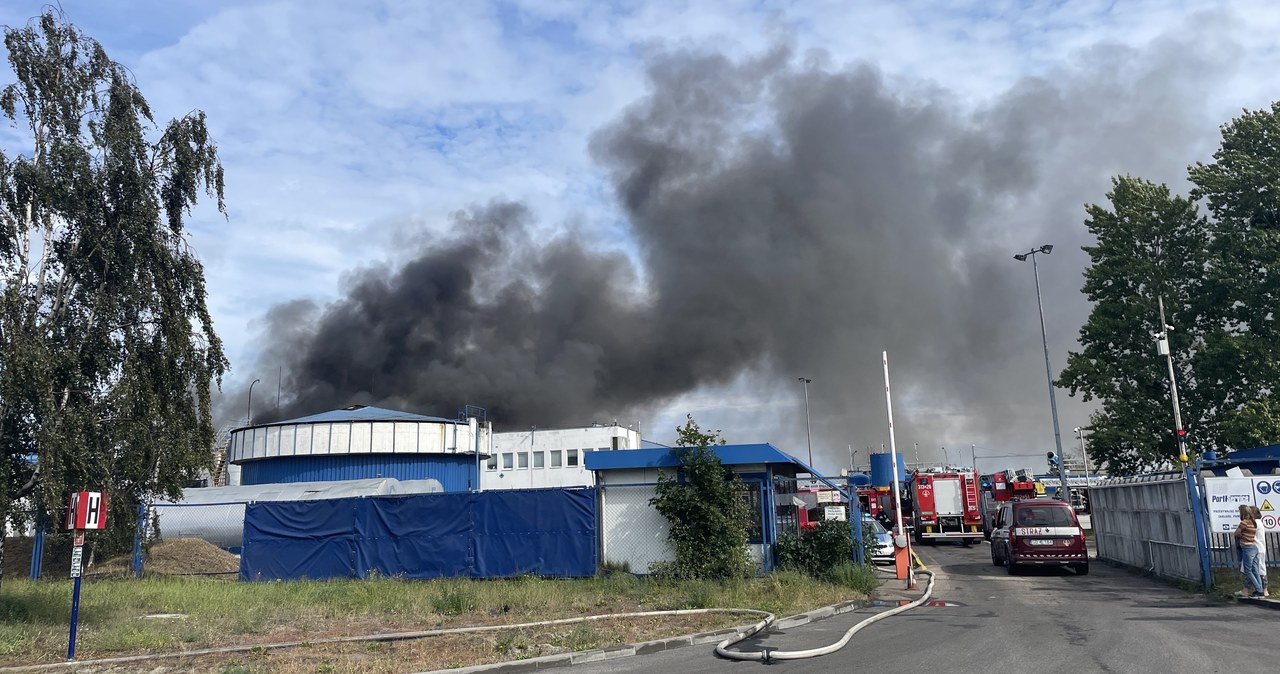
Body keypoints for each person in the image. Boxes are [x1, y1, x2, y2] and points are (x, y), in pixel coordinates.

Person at [1234, 504, 1264, 598]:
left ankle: (1259, 589)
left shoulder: (1244, 522)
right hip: (1254, 547)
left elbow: (1237, 533)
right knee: (1255, 570)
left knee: (1248, 570)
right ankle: (1260, 591)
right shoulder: (1253, 522)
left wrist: (1240, 535)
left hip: (1247, 548)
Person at [1249, 505, 1269, 598]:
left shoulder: (1255, 523)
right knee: (1258, 568)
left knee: (1257, 569)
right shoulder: (1259, 522)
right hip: (1259, 548)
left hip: (1255, 548)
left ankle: (1263, 589)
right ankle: (1262, 589)